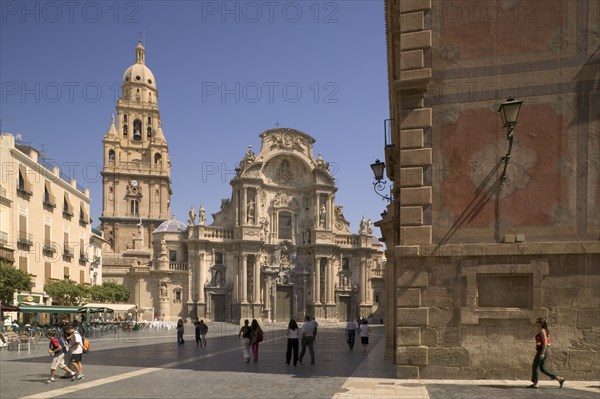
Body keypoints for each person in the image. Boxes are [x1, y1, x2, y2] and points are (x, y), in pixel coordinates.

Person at [529, 318, 565, 389]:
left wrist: (542, 353)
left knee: (535, 366)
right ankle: (559, 379)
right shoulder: (546, 331)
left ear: (541, 324)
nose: (537, 324)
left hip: (542, 351)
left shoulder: (542, 331)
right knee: (542, 369)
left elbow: (545, 343)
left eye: (538, 323)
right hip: (543, 351)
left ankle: (535, 383)